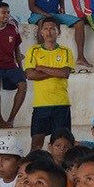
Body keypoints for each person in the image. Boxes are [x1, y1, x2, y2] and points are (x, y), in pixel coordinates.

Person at [23, 15, 75, 151]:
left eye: (53, 28)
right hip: (41, 105)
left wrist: (41, 68)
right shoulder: (33, 51)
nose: (49, 31)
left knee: (62, 146)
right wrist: (54, 72)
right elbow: (30, 75)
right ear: (41, 32)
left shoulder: (66, 51)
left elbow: (65, 73)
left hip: (61, 104)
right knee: (36, 145)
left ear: (59, 32)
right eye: (45, 28)